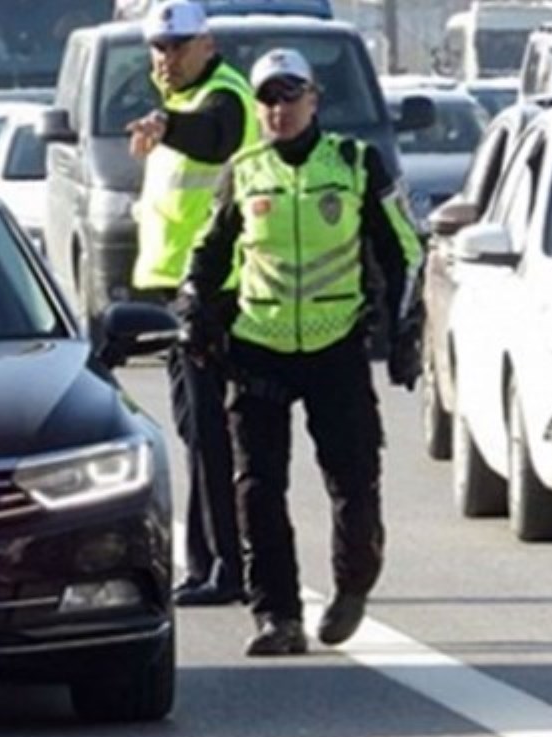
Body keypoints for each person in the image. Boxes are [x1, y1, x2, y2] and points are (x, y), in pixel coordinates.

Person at [177, 49, 423, 656]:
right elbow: (205, 258)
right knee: (257, 486)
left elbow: (405, 253)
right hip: (258, 348)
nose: (278, 109)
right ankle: (277, 615)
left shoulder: (355, 162)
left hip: (336, 345)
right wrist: (194, 312)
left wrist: (402, 335)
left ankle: (353, 582)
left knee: (354, 477)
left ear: (314, 99)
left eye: (291, 96)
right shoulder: (243, 170)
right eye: (268, 98)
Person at [125, 0, 259, 608]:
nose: (166, 58)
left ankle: (225, 567)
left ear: (207, 43)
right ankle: (210, 561)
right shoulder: (178, 103)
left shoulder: (223, 96)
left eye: (177, 46)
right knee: (197, 431)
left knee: (212, 434)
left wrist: (167, 127)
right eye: (158, 47)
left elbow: (215, 140)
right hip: (177, 294)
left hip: (217, 294)